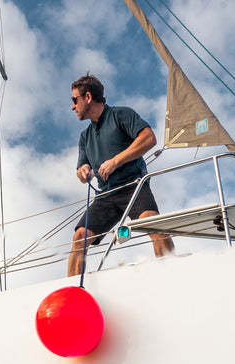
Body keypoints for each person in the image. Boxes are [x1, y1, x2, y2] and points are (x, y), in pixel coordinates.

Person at [68, 74, 173, 277]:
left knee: (153, 222)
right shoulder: (85, 137)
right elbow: (81, 171)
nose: (73, 107)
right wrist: (83, 172)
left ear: (87, 97)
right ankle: (71, 292)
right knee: (79, 236)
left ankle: (171, 271)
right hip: (105, 196)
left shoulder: (121, 115)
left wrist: (116, 160)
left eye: (75, 100)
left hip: (133, 186)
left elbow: (149, 138)